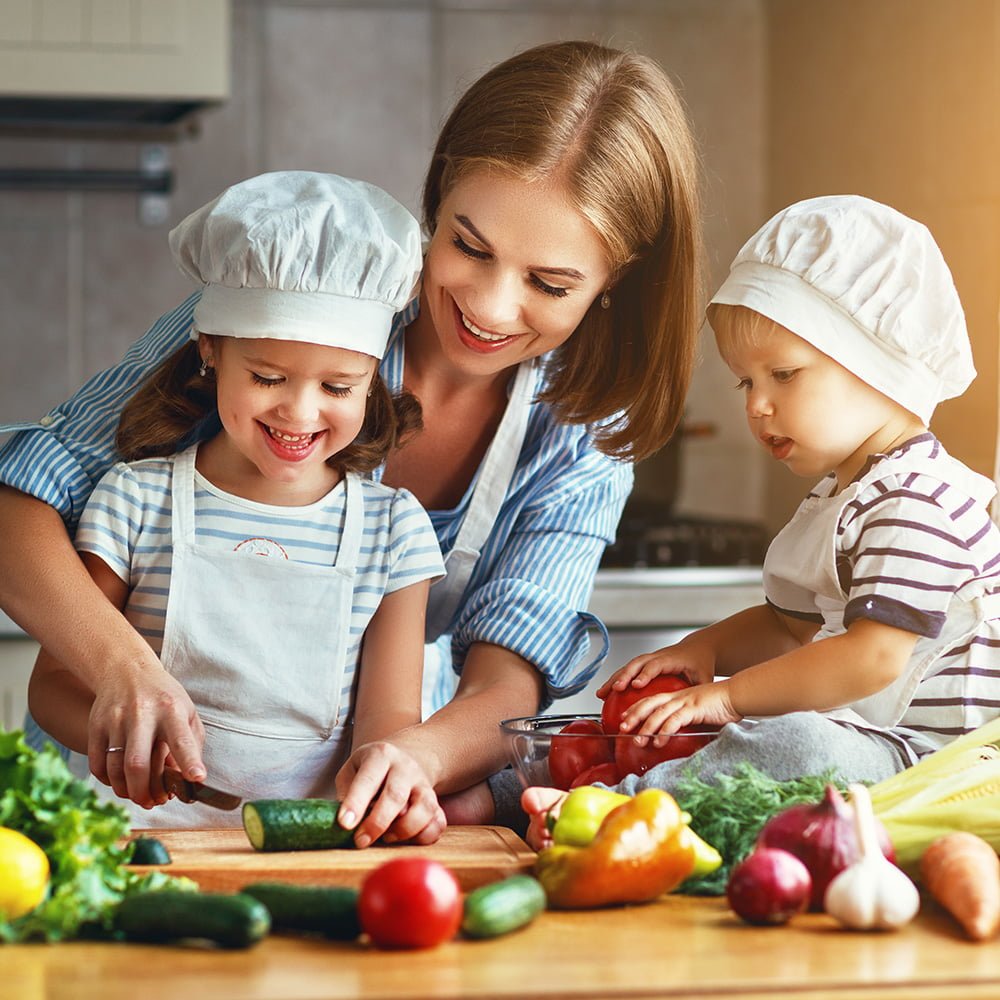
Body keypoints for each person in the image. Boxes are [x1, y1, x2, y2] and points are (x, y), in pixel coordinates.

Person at [0, 40, 704, 844]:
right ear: (437, 199)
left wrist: (411, 759)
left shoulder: (583, 428)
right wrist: (123, 671)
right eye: (468, 246)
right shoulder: (298, 293)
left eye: (549, 284)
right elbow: (16, 507)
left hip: (325, 814)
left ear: (616, 277)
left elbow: (507, 679)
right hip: (110, 810)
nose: (490, 306)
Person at [524, 194, 1000, 847]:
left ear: (880, 366)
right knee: (749, 730)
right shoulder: (845, 494)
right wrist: (707, 651)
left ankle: (616, 809)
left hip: (932, 763)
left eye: (783, 374)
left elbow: (873, 658)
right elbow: (786, 628)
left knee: (789, 738)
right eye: (746, 383)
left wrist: (728, 696)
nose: (758, 406)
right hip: (868, 742)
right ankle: (516, 787)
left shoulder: (917, 503)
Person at [25, 171, 447, 835]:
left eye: (339, 386)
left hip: (303, 851)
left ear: (373, 379)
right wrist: (121, 743)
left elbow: (389, 723)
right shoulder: (136, 500)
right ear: (210, 350)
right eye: (268, 377)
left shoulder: (393, 532)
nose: (300, 412)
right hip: (138, 838)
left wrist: (387, 781)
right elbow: (53, 687)